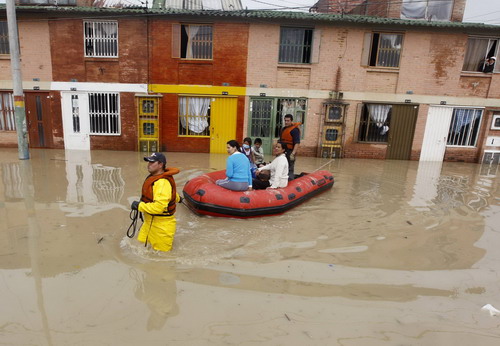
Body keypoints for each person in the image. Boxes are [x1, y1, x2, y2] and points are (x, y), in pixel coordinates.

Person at [131, 152, 181, 252]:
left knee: (162, 259)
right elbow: (170, 195)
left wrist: (139, 206)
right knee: (139, 246)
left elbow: (159, 207)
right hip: (149, 222)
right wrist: (179, 198)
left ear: (160, 164)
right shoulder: (155, 179)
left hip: (161, 227)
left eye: (152, 162)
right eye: (148, 162)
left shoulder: (162, 182)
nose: (148, 165)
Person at [279, 114, 301, 181]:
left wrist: (293, 153)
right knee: (281, 166)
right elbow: (280, 141)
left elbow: (297, 143)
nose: (286, 122)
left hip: (290, 151)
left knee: (290, 167)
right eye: (285, 120)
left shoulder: (294, 130)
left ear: (291, 121)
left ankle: (290, 180)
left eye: (288, 121)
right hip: (283, 151)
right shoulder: (283, 129)